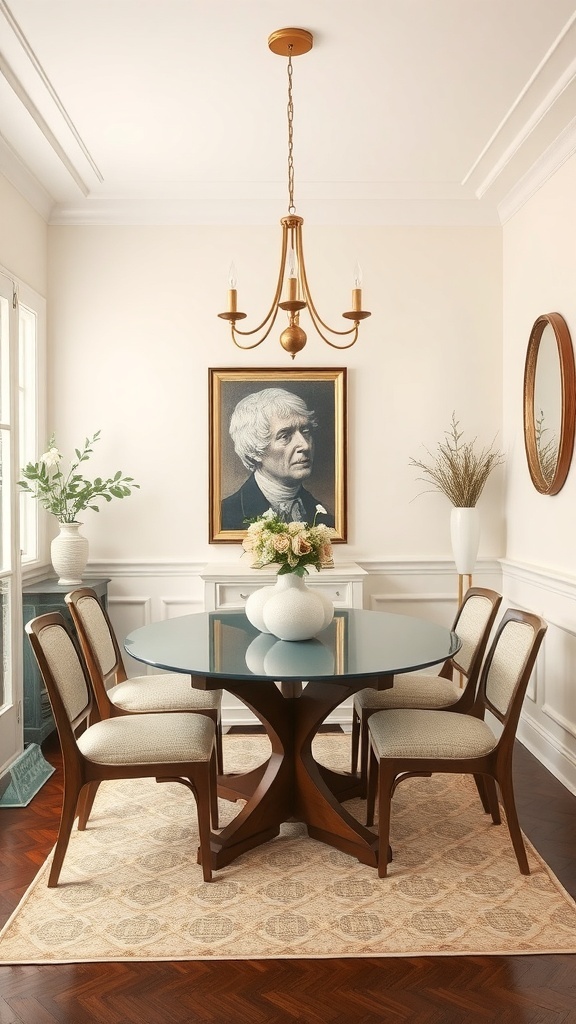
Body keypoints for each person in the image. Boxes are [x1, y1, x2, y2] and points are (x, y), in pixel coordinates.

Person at [221, 387, 334, 530]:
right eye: (285, 436)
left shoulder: (324, 517)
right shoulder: (225, 517)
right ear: (255, 450)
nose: (305, 446)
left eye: (305, 431)